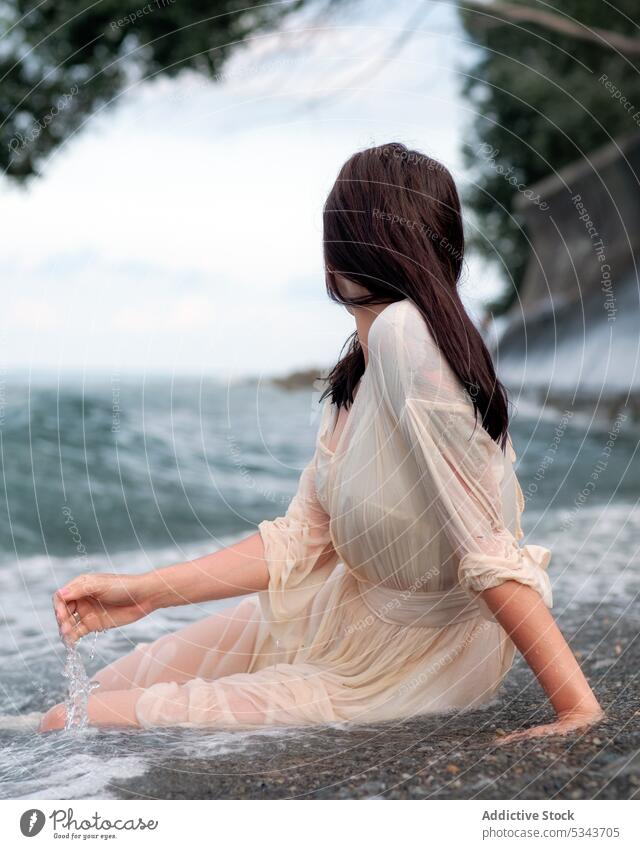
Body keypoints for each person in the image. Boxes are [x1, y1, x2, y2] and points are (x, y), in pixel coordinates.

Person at [41, 143, 602, 739]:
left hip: (409, 661)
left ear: (343, 249)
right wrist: (144, 593)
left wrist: (576, 708)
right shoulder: (359, 373)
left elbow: (486, 543)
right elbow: (302, 540)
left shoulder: (403, 336)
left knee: (67, 722)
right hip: (339, 612)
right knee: (91, 701)